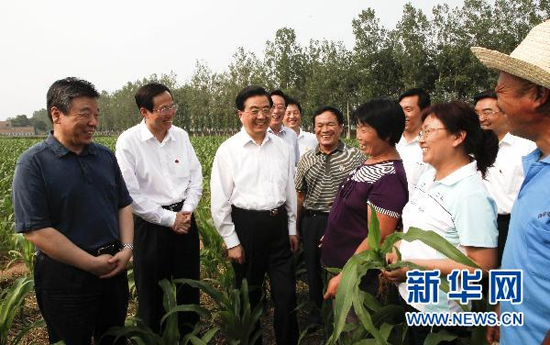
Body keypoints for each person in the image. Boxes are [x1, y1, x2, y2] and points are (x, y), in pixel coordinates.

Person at [11, 77, 133, 345]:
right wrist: (90, 264)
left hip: (112, 267)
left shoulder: (104, 156)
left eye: (96, 115)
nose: (94, 122)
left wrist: (126, 249)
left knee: (113, 337)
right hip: (65, 277)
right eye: (85, 114)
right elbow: (36, 230)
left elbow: (123, 204)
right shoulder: (33, 163)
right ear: (57, 114)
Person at [383, 101, 499, 344]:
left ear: (458, 137)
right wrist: (397, 249)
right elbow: (414, 226)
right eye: (422, 132)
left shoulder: (471, 195)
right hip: (415, 300)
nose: (422, 139)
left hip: (442, 318)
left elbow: (481, 267)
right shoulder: (429, 176)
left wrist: (414, 266)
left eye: (429, 131)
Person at [471, 19, 550, 345]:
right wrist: (503, 305)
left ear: (538, 94)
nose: (496, 103)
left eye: (501, 90)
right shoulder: (536, 166)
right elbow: (524, 254)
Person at [211, 85, 299, 345]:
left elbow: (289, 190)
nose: (262, 116)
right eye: (254, 110)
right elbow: (220, 200)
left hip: (278, 224)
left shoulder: (282, 147)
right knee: (250, 296)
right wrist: (232, 241)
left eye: (266, 109)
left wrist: (292, 227)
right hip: (246, 226)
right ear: (241, 114)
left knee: (287, 295)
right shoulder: (229, 150)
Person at [115, 82, 202, 337]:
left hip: (185, 220)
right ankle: (153, 338)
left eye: (172, 106)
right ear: (145, 112)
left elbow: (195, 177)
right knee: (150, 291)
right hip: (150, 225)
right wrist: (168, 219)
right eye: (163, 109)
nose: (170, 113)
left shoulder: (181, 136)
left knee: (189, 285)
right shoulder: (129, 142)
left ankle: (189, 336)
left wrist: (185, 212)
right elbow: (131, 194)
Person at [322, 99, 408, 300]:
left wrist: (346, 275)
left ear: (386, 134)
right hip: (340, 262)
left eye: (364, 129)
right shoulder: (370, 162)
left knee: (353, 327)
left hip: (358, 276)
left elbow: (378, 237)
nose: (358, 136)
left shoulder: (390, 178)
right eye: (358, 128)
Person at [295, 105, 364, 326]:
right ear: (314, 129)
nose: (325, 129)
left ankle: (344, 315)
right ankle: (317, 313)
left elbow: (361, 194)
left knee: (343, 268)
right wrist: (295, 227)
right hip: (312, 220)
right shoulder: (306, 158)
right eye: (320, 125)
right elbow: (300, 194)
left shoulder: (355, 157)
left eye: (330, 124)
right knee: (313, 270)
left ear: (341, 127)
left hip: (343, 222)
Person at [473, 90, 535, 266]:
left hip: (511, 224)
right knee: (480, 276)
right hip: (480, 222)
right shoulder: (476, 147)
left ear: (505, 112)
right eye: (477, 113)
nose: (481, 118)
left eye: (487, 112)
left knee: (507, 275)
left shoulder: (526, 148)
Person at [397, 88, 432, 193]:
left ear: (425, 111)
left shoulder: (432, 144)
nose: (402, 115)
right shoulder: (391, 141)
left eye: (408, 110)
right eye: (400, 110)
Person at [269, 89, 300, 165]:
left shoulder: (291, 135)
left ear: (285, 110)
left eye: (280, 107)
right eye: (272, 107)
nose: (276, 111)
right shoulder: (259, 134)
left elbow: (295, 164)